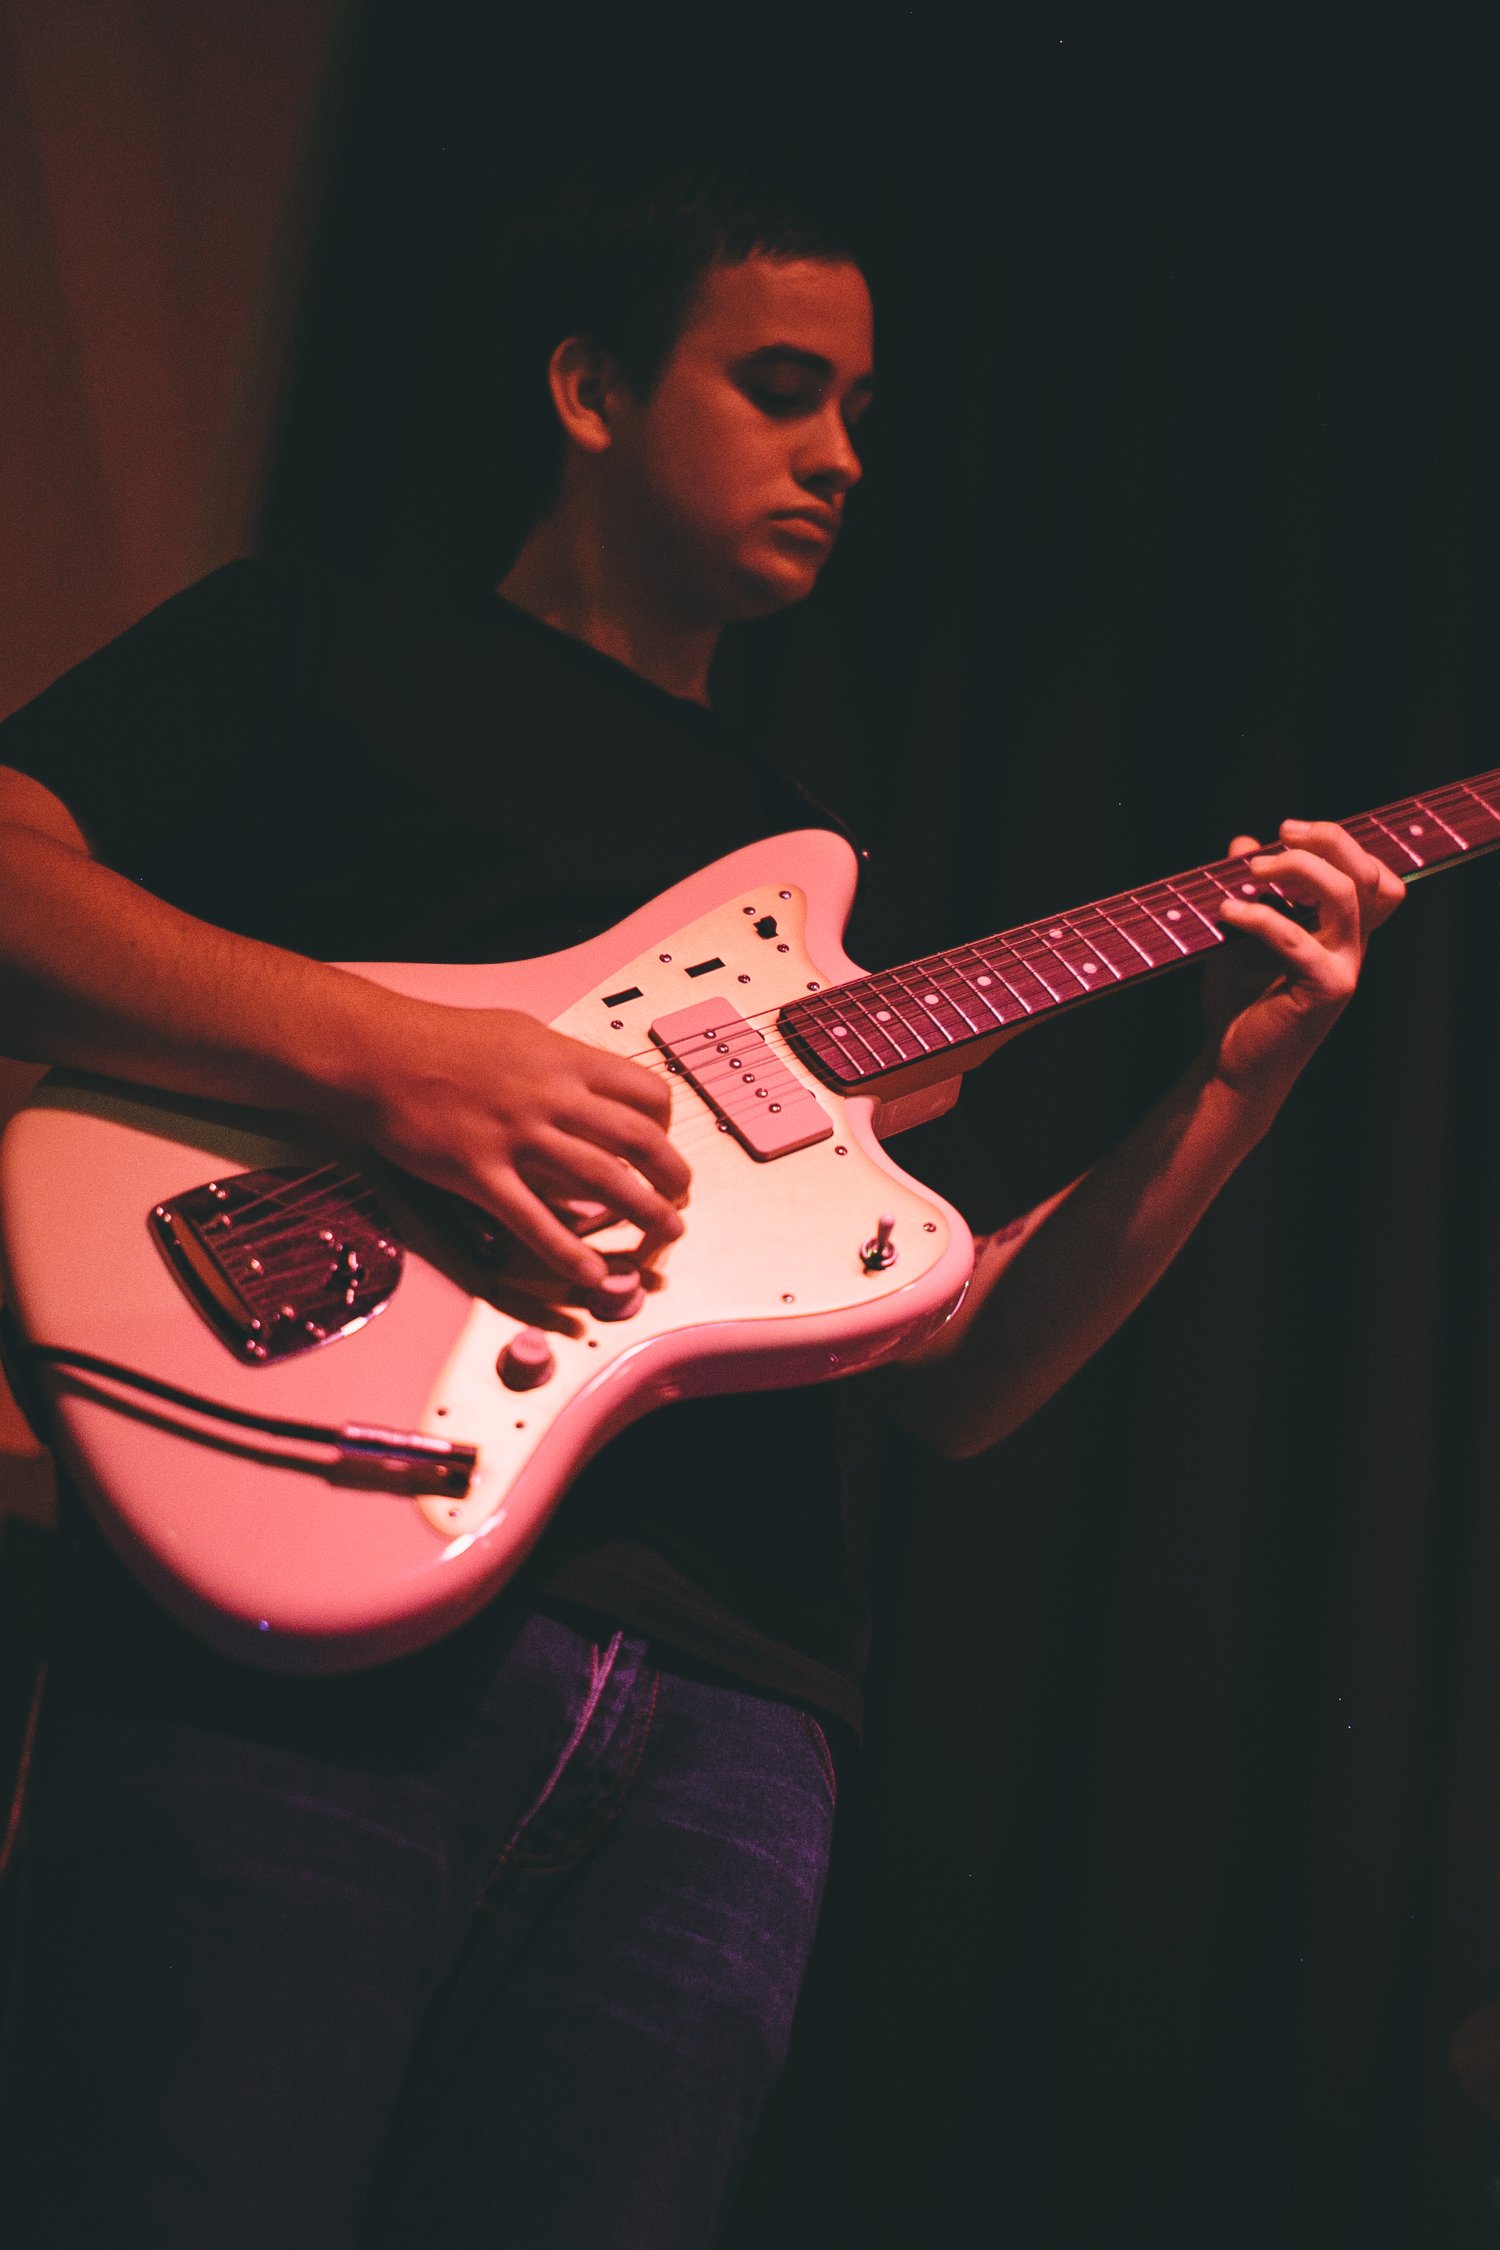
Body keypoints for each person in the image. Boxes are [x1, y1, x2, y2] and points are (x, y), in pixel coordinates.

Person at [0, 171, 1403, 2247]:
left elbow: (958, 1375)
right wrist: (393, 1058)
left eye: (860, 410)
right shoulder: (322, 637)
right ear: (591, 387)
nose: (842, 454)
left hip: (739, 1721)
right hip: (307, 1601)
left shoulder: (803, 872)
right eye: (780, 386)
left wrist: (1232, 1085)